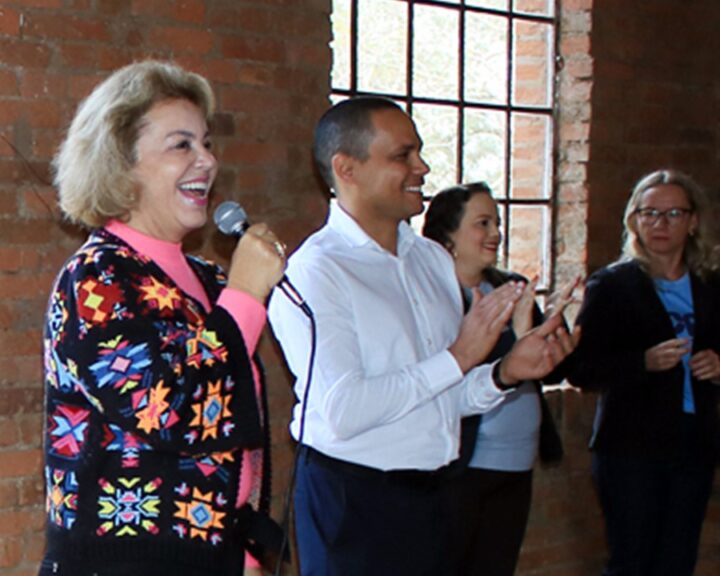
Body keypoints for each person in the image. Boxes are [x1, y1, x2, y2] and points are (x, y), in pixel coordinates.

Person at [267, 96, 579, 576]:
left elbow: (443, 398)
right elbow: (344, 410)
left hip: (438, 493)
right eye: (403, 155)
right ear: (346, 169)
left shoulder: (431, 260)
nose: (423, 166)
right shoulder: (317, 272)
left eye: (419, 152)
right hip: (355, 499)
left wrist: (505, 372)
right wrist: (457, 357)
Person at [40, 61, 286, 576]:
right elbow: (167, 410)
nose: (207, 161)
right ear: (121, 165)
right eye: (182, 145)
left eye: (207, 143)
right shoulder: (96, 278)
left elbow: (234, 420)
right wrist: (244, 295)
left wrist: (240, 547)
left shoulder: (205, 278)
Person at [569, 169, 720, 576]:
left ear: (693, 222)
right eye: (649, 212)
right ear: (633, 220)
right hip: (631, 446)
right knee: (632, 561)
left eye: (673, 214)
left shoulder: (711, 283)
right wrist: (642, 362)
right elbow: (581, 368)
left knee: (677, 560)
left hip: (695, 442)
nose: (660, 223)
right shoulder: (613, 285)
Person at [422, 182, 568, 576]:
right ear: (447, 234)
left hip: (515, 462)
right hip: (463, 463)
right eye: (482, 223)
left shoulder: (509, 286)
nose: (495, 234)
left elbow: (549, 367)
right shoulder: (431, 294)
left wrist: (550, 327)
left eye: (498, 223)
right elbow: (443, 373)